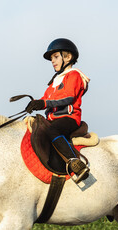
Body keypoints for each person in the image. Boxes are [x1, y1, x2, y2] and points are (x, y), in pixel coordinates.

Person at [25, 38, 90, 182]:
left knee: (51, 130)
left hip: (69, 119)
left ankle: (76, 163)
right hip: (53, 120)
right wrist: (35, 103)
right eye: (51, 59)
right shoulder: (54, 81)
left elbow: (67, 97)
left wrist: (43, 103)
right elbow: (46, 99)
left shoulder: (74, 75)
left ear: (68, 57)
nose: (53, 61)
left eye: (56, 57)